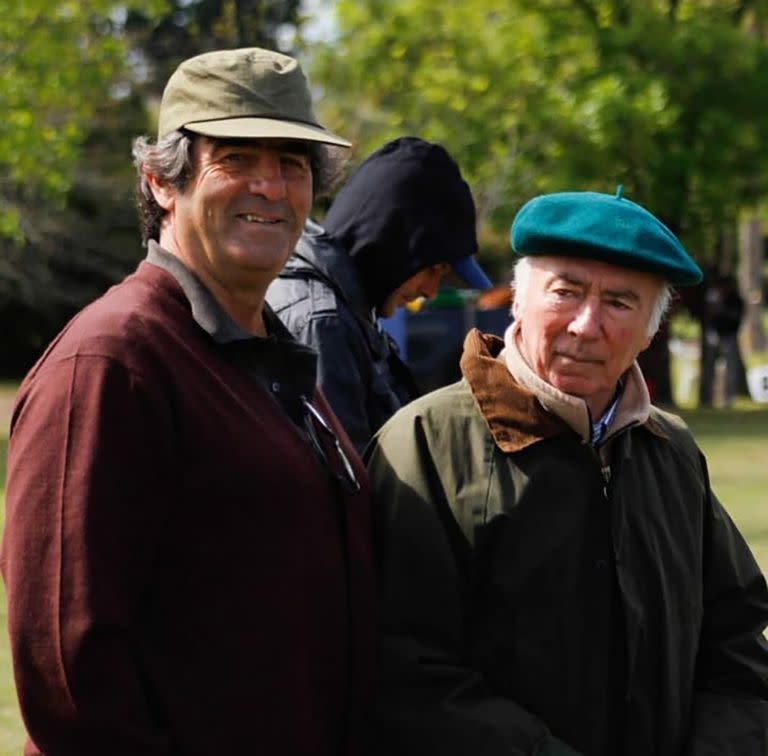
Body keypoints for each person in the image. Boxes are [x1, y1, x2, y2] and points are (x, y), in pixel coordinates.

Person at [1, 47, 375, 755]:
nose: (270, 186)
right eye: (235, 158)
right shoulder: (112, 361)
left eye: (293, 164)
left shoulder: (273, 357)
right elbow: (69, 671)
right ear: (161, 182)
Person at [365, 188, 768, 755]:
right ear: (517, 301)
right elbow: (406, 670)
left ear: (651, 331)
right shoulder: (423, 446)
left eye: (621, 302)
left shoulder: (670, 452)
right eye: (566, 292)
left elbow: (736, 643)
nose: (586, 325)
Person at [266, 136, 492, 453]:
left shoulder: (348, 310)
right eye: (433, 269)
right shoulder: (322, 322)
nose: (430, 291)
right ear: (394, 244)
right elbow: (351, 485)